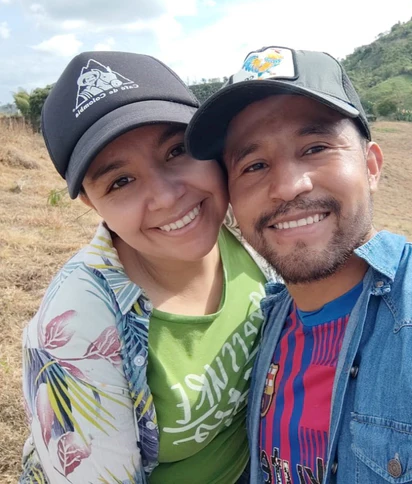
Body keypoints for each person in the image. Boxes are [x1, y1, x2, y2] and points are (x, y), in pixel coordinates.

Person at [185, 46, 412, 483]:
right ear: (232, 203)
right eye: (254, 165)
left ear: (371, 167)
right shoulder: (256, 332)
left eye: (315, 147)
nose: (288, 186)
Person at [21, 51, 276, 484]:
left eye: (177, 150)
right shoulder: (77, 331)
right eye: (121, 181)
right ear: (92, 202)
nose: (167, 196)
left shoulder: (248, 225)